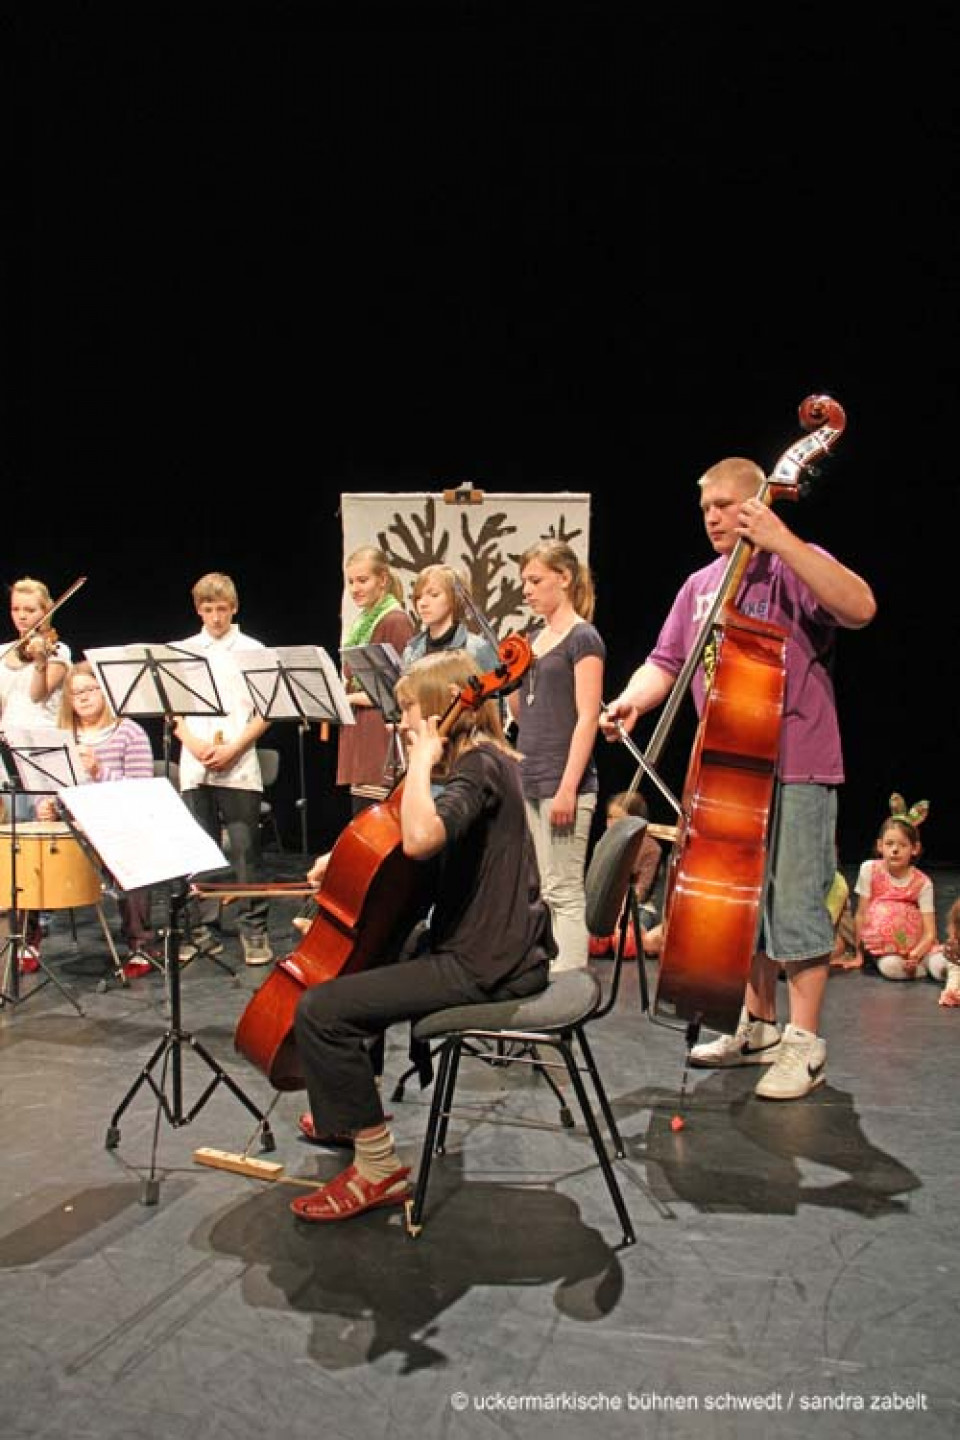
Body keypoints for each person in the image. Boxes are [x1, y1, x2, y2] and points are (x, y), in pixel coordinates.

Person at [601, 454, 877, 1100]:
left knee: (797, 904)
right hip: (725, 769)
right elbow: (666, 659)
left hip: (796, 762)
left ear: (758, 503)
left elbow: (860, 606)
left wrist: (782, 540)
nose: (713, 518)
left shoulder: (791, 564)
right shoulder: (700, 586)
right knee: (742, 910)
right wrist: (632, 699)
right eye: (705, 509)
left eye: (724, 505)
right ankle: (759, 1025)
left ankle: (806, 1045)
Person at [290, 648, 556, 1223]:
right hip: (498, 948)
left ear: (439, 711)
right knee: (371, 965)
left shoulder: (479, 766)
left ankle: (378, 1166)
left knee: (321, 1010)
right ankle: (349, 1114)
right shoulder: (487, 761)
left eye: (409, 710)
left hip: (487, 962)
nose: (402, 722)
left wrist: (418, 763)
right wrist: (338, 866)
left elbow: (420, 840)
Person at [508, 539, 604, 972]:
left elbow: (587, 717)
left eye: (535, 580)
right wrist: (509, 676)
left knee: (565, 889)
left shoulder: (583, 637)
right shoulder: (532, 640)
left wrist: (568, 787)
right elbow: (520, 714)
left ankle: (570, 992)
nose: (526, 590)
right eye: (524, 581)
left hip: (565, 782)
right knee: (543, 889)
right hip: (530, 775)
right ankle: (549, 980)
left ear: (563, 579)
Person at [35, 662, 162, 979]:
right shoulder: (61, 736)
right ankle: (29, 941)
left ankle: (141, 944)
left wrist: (97, 771)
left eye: (90, 689)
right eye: (76, 692)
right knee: (27, 850)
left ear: (106, 692)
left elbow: (139, 792)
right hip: (71, 825)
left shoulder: (129, 731)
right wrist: (45, 804)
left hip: (114, 824)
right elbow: (45, 784)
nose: (84, 697)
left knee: (133, 851)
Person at [174, 572, 273, 967]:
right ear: (198, 610)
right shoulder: (181, 650)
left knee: (246, 849)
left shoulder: (253, 649)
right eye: (208, 609)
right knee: (200, 849)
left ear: (234, 608)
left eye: (222, 609)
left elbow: (267, 710)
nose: (215, 617)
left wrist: (234, 747)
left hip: (239, 759)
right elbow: (172, 708)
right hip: (194, 760)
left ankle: (254, 930)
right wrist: (192, 741)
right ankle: (202, 930)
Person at [0, 577, 73, 971]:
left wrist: (41, 658)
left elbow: (37, 695)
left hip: (42, 758)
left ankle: (35, 928)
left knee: (32, 843)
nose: (22, 616)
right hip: (7, 755)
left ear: (46, 611)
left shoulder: (59, 650)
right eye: (16, 609)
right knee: (10, 844)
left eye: (29, 610)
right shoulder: (2, 654)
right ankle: (17, 920)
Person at [337, 546, 415, 815]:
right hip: (361, 732)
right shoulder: (363, 622)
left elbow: (400, 688)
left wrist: (344, 698)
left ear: (382, 580)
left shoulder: (394, 620)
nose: (355, 588)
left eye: (363, 580)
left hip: (380, 736)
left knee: (379, 820)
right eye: (351, 582)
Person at [853, 807, 936, 980]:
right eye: (889, 844)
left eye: (903, 845)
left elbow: (930, 933)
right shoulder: (869, 869)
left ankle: (928, 966)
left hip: (918, 947)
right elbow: (861, 914)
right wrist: (858, 954)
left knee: (939, 964)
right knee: (890, 967)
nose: (895, 850)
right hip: (885, 952)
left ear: (915, 848)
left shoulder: (923, 882)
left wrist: (916, 953)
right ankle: (919, 971)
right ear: (880, 846)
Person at [588, 790, 664, 959]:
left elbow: (640, 891)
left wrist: (620, 914)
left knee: (625, 943)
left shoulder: (651, 848)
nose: (611, 823)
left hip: (638, 907)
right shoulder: (602, 844)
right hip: (607, 905)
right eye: (609, 817)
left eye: (618, 819)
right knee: (594, 943)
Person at [400, 563, 500, 677]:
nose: (422, 603)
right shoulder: (411, 652)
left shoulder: (478, 649)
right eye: (418, 597)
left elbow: (496, 693)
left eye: (434, 595)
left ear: (455, 598)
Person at [928, 898, 960, 1007]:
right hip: (947, 960)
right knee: (937, 963)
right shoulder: (955, 946)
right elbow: (955, 973)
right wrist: (951, 992)